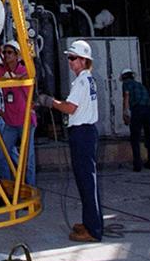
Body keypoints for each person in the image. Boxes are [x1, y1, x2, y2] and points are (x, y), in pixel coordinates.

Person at [37, 39, 103, 242]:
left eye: (73, 58)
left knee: (86, 181)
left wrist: (49, 101)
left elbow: (69, 108)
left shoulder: (82, 82)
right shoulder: (87, 80)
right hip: (85, 132)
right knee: (86, 181)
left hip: (82, 133)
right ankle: (91, 222)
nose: (70, 62)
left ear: (84, 61)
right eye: (69, 58)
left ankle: (93, 230)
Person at [0, 40, 37, 191]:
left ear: (17, 55)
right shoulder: (2, 72)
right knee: (1, 157)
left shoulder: (24, 70)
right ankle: (8, 191)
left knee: (28, 158)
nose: (6, 55)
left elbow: (32, 76)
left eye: (9, 52)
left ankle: (30, 191)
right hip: (10, 122)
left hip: (25, 121)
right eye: (5, 52)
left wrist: (20, 78)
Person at [121, 68, 150, 171]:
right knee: (149, 136)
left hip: (138, 110)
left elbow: (127, 97)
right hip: (149, 110)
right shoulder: (140, 85)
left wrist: (125, 113)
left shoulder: (126, 83)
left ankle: (137, 165)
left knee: (135, 138)